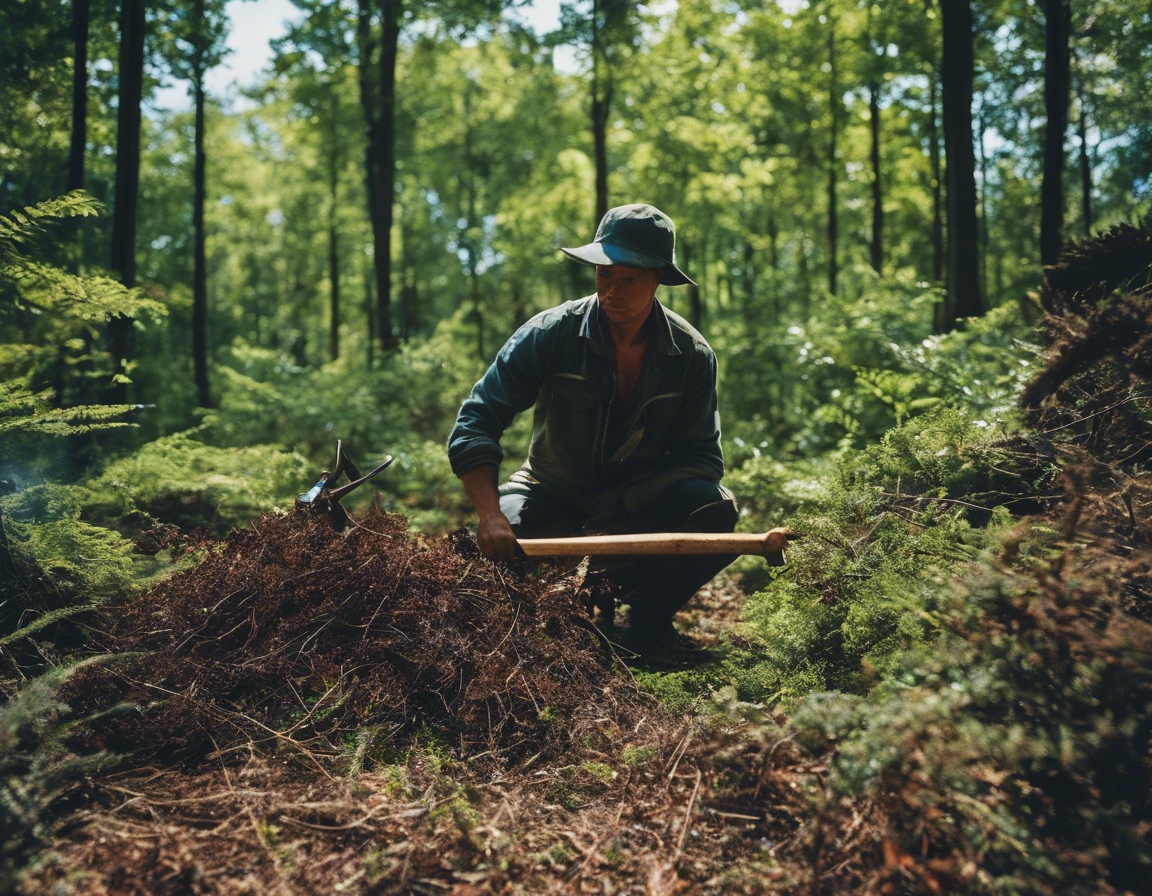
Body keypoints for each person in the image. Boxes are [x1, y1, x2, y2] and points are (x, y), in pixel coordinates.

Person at [447, 203, 740, 657]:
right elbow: (477, 419)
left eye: (629, 280)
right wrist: (489, 515)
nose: (612, 291)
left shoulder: (692, 355)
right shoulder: (549, 333)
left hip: (635, 509)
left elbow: (702, 460)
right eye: (605, 275)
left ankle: (646, 623)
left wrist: (625, 503)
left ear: (659, 278)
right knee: (497, 548)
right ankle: (555, 617)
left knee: (714, 511)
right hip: (549, 491)